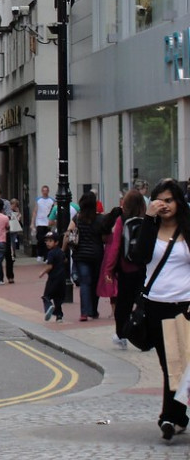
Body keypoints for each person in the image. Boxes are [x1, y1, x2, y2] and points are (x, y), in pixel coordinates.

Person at [132, 178, 190, 440]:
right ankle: (176, 416)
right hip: (156, 306)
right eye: (160, 200)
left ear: (178, 201)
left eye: (170, 200)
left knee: (183, 364)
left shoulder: (187, 229)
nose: (165, 205)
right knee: (170, 365)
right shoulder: (149, 228)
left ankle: (170, 417)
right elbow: (139, 256)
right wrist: (148, 218)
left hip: (185, 306)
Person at [103, 190, 147, 349]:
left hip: (126, 267)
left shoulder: (122, 219)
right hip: (143, 267)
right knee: (142, 301)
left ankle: (121, 335)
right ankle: (144, 335)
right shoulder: (146, 219)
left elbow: (115, 247)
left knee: (123, 303)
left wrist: (108, 270)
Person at [66, 191, 103, 321]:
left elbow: (68, 233)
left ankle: (84, 312)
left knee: (85, 283)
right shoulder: (99, 219)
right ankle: (93, 310)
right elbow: (105, 236)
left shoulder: (77, 218)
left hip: (81, 255)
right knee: (95, 283)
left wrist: (64, 249)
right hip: (97, 255)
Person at [38, 231, 67, 322]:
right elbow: (65, 261)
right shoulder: (61, 252)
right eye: (47, 241)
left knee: (46, 296)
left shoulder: (51, 253)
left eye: (50, 241)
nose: (48, 243)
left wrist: (42, 272)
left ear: (56, 242)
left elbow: (50, 266)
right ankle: (59, 316)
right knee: (58, 298)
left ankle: (48, 308)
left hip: (53, 278)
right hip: (62, 279)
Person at [32, 185, 55, 262]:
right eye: (43, 190)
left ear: (48, 191)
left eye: (46, 190)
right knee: (40, 238)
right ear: (42, 191)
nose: (45, 192)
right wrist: (32, 223)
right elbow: (35, 211)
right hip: (40, 222)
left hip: (48, 222)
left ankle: (46, 256)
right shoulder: (38, 200)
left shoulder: (52, 200)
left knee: (48, 239)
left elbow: (54, 211)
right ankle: (39, 254)